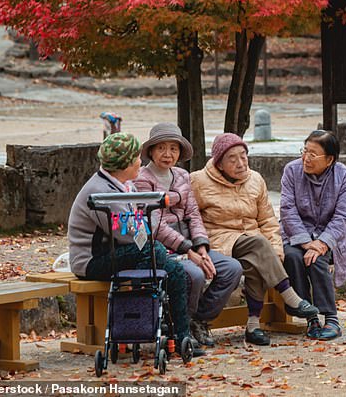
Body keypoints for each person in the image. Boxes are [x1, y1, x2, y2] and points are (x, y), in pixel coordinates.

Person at [67, 132, 204, 356]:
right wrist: (146, 226)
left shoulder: (123, 184)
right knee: (158, 255)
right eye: (136, 159)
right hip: (91, 262)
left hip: (119, 252)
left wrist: (144, 226)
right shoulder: (101, 192)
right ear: (125, 164)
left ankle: (176, 334)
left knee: (169, 267)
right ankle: (160, 328)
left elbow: (138, 227)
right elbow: (128, 235)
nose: (141, 162)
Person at [190, 133, 319, 346]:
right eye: (232, 159)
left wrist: (276, 249)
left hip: (252, 243)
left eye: (243, 156)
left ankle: (253, 326)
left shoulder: (255, 179)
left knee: (257, 257)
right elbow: (191, 218)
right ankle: (290, 297)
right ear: (219, 163)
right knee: (259, 245)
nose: (240, 163)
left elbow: (268, 220)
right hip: (218, 241)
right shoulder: (198, 181)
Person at [133, 122, 243, 348]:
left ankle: (197, 320)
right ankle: (179, 325)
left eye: (173, 148)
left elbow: (193, 214)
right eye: (161, 148)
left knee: (231, 268)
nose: (167, 154)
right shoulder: (142, 179)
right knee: (195, 275)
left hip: (190, 243)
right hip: (163, 247)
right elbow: (155, 226)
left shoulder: (182, 175)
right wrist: (188, 250)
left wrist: (201, 247)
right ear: (151, 151)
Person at [280, 129, 346, 340]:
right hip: (295, 233)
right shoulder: (291, 171)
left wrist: (322, 243)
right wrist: (306, 243)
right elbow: (287, 210)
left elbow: (343, 215)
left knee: (317, 259)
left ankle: (331, 318)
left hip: (331, 234)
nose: (306, 158)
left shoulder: (344, 175)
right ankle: (310, 316)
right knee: (293, 256)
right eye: (305, 151)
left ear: (329, 159)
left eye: (313, 154)